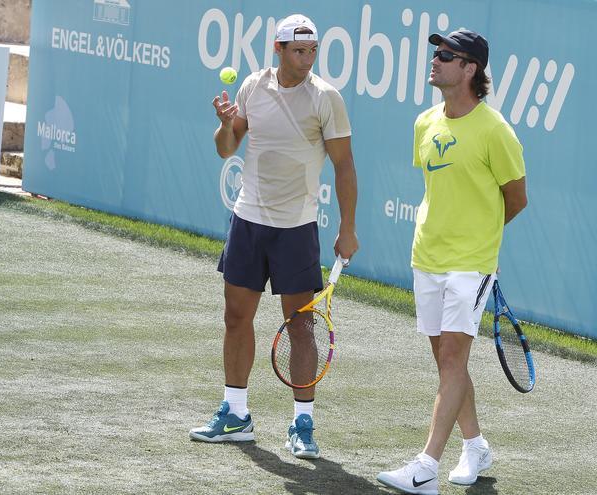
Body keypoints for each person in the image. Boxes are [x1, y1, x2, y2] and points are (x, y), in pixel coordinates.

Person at [189, 13, 359, 460]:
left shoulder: (326, 98)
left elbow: (344, 165)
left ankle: (303, 422)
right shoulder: (252, 86)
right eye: (298, 51)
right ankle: (235, 413)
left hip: (297, 228)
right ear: (278, 49)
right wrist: (227, 124)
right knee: (234, 317)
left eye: (312, 52)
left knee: (300, 325)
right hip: (247, 220)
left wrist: (348, 226)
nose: (306, 60)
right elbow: (227, 148)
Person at [376, 29, 527, 493]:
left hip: (471, 262)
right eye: (435, 53)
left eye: (446, 55)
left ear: (470, 69)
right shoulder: (425, 123)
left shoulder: (495, 131)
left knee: (454, 358)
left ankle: (425, 468)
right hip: (427, 255)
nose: (435, 60)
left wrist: (480, 245)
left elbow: (516, 199)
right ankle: (476, 445)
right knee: (447, 363)